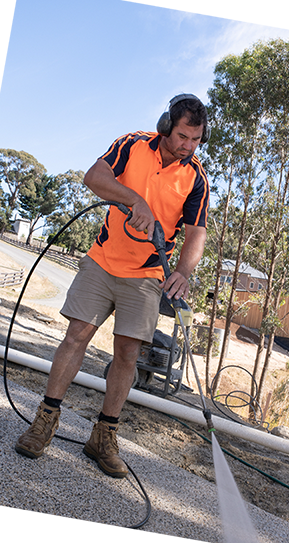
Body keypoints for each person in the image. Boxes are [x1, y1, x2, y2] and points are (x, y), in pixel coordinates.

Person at [14, 94, 210, 478]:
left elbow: (196, 233)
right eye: (184, 136)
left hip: (148, 274)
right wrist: (133, 198)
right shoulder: (132, 144)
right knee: (76, 336)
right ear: (166, 127)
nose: (188, 146)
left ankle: (103, 436)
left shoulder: (195, 178)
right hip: (103, 262)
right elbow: (94, 177)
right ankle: (45, 421)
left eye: (196, 139)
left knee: (127, 353)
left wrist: (183, 272)